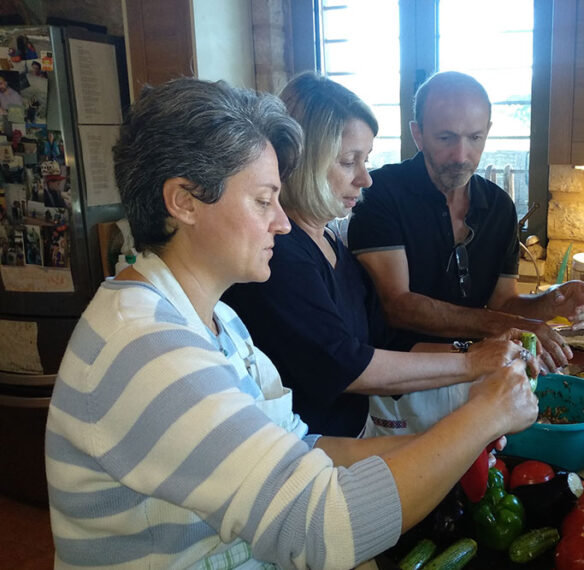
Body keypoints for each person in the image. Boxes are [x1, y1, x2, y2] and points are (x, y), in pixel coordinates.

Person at [45, 77, 538, 569]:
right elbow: (321, 530)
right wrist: (481, 419)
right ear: (184, 201)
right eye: (263, 201)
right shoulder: (147, 349)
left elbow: (302, 446)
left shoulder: (217, 320)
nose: (282, 223)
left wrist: (446, 450)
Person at [224, 72, 533, 437]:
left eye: (366, 159)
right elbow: (346, 364)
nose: (365, 179)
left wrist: (484, 356)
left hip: (352, 440)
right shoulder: (280, 255)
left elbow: (388, 342)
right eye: (348, 161)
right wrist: (471, 363)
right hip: (305, 458)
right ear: (301, 161)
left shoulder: (332, 246)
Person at [348, 71, 584, 373]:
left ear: (487, 131)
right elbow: (398, 306)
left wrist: (552, 302)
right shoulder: (381, 193)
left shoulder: (499, 207)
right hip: (397, 381)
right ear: (418, 134)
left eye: (475, 137)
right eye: (446, 138)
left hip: (476, 368)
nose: (461, 155)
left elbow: (504, 302)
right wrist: (510, 325)